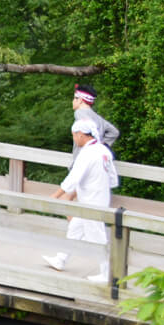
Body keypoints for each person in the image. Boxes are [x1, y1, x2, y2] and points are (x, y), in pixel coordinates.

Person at [42, 119, 119, 282]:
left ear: (81, 135)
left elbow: (73, 178)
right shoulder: (104, 151)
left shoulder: (88, 153)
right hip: (98, 198)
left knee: (97, 237)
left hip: (92, 202)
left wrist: (55, 196)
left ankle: (107, 273)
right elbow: (112, 180)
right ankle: (61, 259)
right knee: (75, 228)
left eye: (74, 136)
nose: (74, 140)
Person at [71, 84, 119, 154]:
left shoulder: (79, 113)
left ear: (80, 100)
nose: (73, 101)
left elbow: (88, 125)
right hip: (96, 158)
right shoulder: (98, 118)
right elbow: (114, 132)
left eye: (74, 98)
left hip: (84, 159)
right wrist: (101, 146)